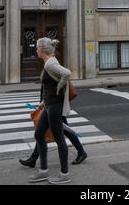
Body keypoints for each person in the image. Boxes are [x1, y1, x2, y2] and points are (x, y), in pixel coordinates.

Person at [27, 37, 84, 184]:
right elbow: (50, 86)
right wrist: (43, 102)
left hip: (55, 107)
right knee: (39, 134)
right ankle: (44, 170)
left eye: (37, 48)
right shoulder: (50, 62)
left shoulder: (50, 64)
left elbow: (66, 73)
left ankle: (64, 174)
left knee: (59, 139)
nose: (36, 50)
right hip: (49, 105)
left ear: (41, 50)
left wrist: (60, 87)